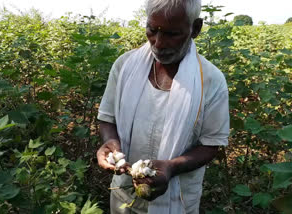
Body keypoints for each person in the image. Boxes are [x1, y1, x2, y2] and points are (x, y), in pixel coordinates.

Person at [96, 0, 230, 213]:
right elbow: (107, 117)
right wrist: (111, 143)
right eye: (152, 30)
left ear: (195, 29)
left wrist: (172, 167)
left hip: (177, 200)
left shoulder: (211, 80)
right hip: (123, 195)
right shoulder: (125, 66)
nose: (158, 43)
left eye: (172, 34)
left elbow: (211, 144)